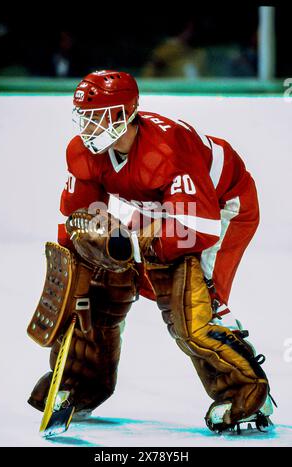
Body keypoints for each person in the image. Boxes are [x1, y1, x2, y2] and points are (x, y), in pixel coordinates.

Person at [28, 70, 275, 433]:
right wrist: (78, 265)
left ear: (126, 113)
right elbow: (78, 218)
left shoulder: (168, 147)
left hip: (222, 205)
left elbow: (198, 229)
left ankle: (247, 391)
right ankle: (82, 384)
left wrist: (138, 245)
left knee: (193, 302)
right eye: (84, 116)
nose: (88, 127)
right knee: (101, 285)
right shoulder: (83, 151)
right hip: (156, 205)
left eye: (98, 117)